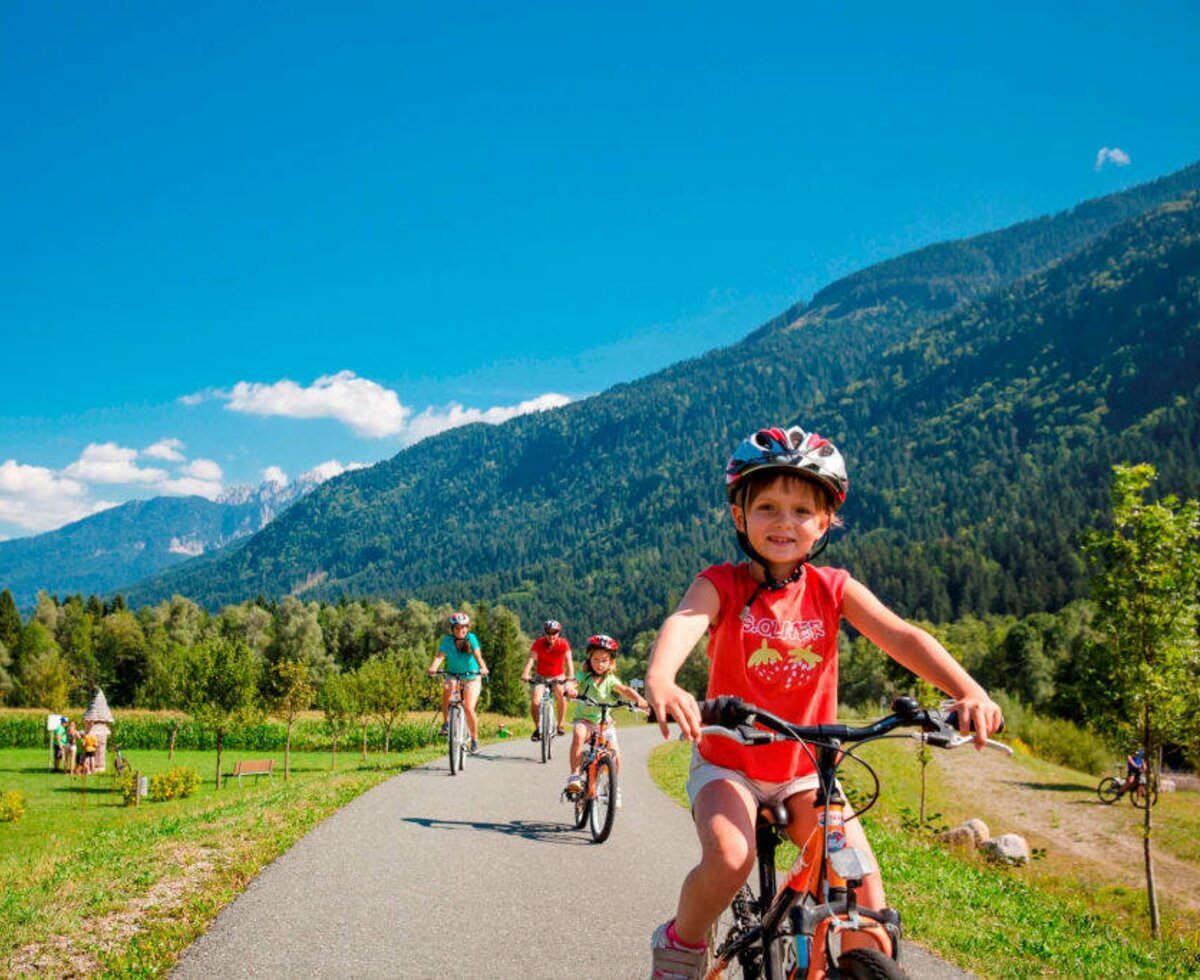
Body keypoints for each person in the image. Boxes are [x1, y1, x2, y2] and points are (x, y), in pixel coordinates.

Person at [644, 426, 1003, 979]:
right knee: (729, 858)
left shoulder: (833, 587)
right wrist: (663, 680)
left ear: (825, 521)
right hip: (729, 761)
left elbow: (904, 637)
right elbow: (686, 620)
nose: (783, 522)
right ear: (739, 516)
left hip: (809, 770)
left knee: (861, 894)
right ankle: (680, 946)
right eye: (766, 507)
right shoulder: (722, 583)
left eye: (801, 510)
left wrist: (967, 691)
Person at [564, 634, 648, 808]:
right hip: (585, 721)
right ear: (589, 658)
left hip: (604, 723)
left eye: (604, 660)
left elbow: (625, 689)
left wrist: (640, 700)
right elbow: (572, 683)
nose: (600, 664)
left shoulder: (610, 680)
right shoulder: (584, 677)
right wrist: (570, 689)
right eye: (596, 659)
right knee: (578, 734)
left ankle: (612, 786)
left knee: (615, 755)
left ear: (610, 662)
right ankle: (575, 776)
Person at [427, 612, 490, 754]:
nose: (460, 630)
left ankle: (474, 739)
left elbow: (478, 656)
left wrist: (483, 667)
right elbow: (440, 657)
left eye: (463, 627)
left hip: (472, 676)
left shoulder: (471, 638)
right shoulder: (447, 640)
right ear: (452, 629)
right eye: (457, 628)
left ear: (467, 628)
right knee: (447, 689)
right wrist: (433, 667)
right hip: (453, 674)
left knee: (468, 707)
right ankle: (446, 723)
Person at [520, 619, 574, 741]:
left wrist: (570, 676)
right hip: (541, 676)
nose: (551, 636)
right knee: (535, 702)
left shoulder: (563, 644)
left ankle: (560, 725)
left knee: (561, 696)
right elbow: (531, 659)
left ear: (558, 633)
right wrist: (526, 672)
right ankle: (538, 728)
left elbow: (569, 661)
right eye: (548, 632)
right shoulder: (539, 643)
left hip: (558, 676)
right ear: (545, 633)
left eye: (554, 632)